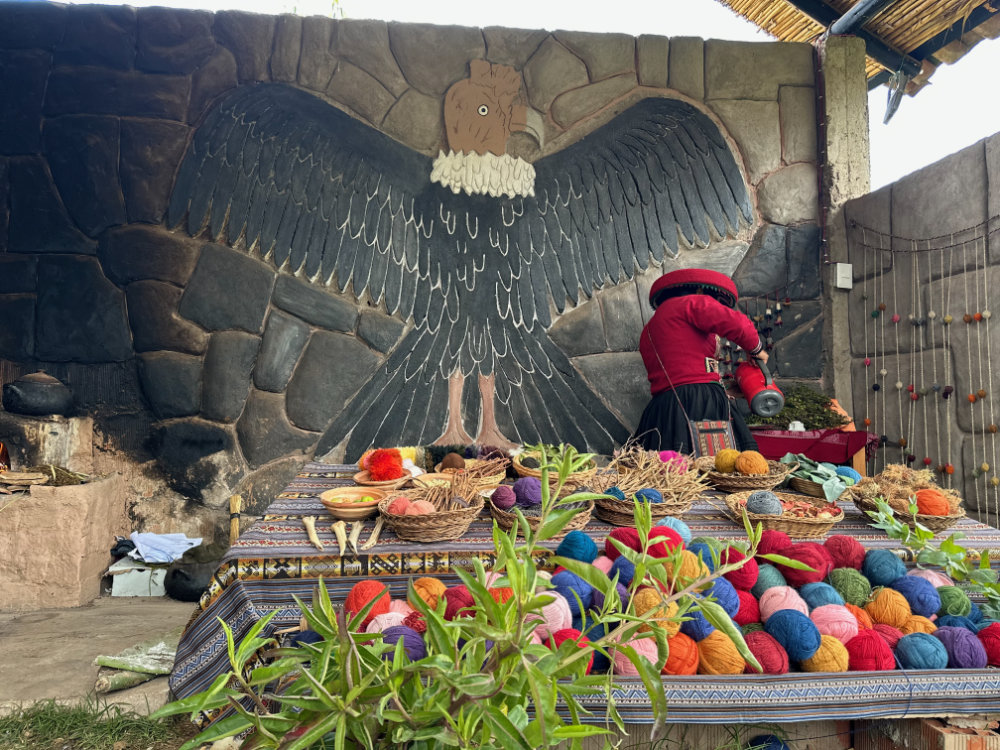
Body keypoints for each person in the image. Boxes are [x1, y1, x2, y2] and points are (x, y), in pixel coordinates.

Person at [633, 268, 766, 454]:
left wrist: (724, 386)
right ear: (700, 292)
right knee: (717, 467)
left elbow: (681, 366)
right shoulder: (689, 303)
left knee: (669, 470)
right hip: (698, 401)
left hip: (663, 407)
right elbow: (738, 324)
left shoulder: (648, 330)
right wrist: (756, 349)